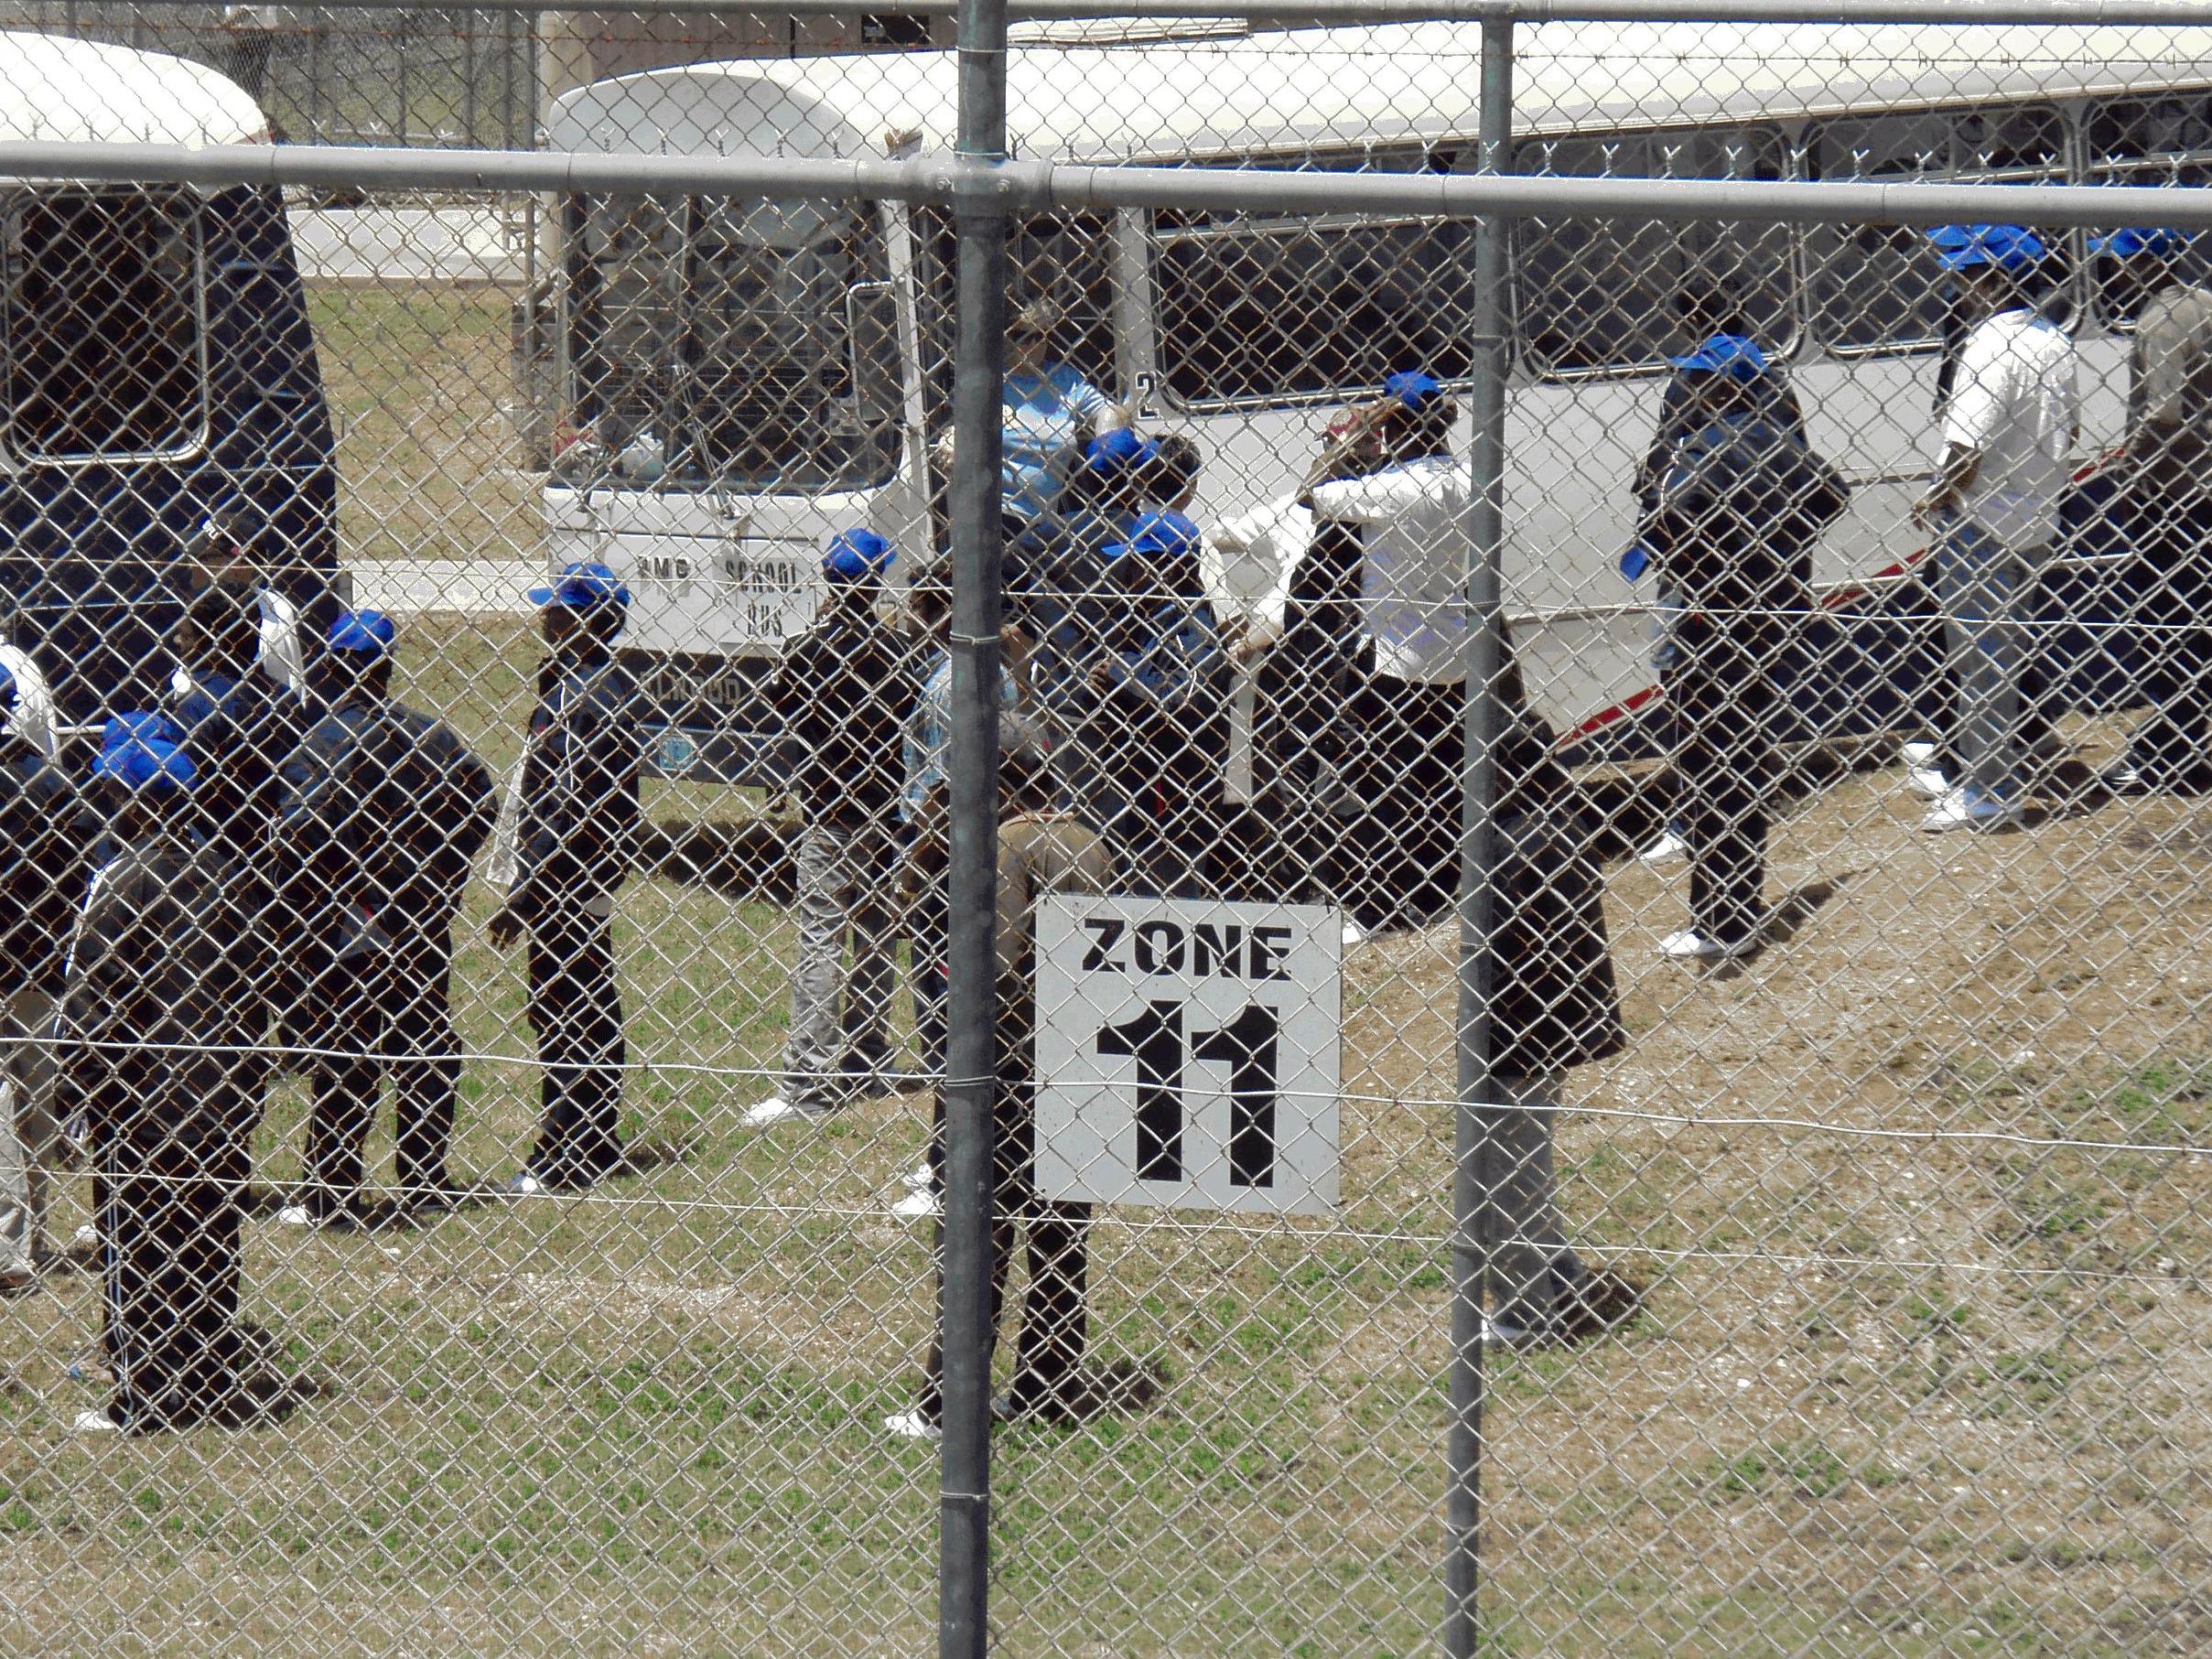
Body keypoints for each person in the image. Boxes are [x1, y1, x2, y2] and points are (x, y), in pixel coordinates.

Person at [57, 719, 302, 1433]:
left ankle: (144, 1394)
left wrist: (76, 1091)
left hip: (139, 1099)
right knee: (208, 1236)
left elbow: (95, 999)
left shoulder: (123, 883)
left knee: (135, 1244)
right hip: (222, 1096)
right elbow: (266, 981)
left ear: (132, 804)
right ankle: (206, 1374)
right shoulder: (229, 880)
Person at [886, 727, 1115, 1441]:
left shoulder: (1006, 844)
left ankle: (945, 1400)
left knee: (972, 1233)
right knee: (1059, 1232)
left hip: (1001, 1064)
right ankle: (1046, 1383)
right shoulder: (1091, 840)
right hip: (1081, 1058)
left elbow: (1001, 961)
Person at [273, 610, 498, 1228]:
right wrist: (438, 874)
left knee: (346, 1051)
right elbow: (482, 801)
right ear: (385, 665)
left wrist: (311, 893)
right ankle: (424, 1177)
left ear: (332, 665)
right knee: (425, 1042)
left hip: (346, 923)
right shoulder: (431, 736)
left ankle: (332, 1191)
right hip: (417, 919)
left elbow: (297, 830)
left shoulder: (322, 740)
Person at [1642, 337, 1848, 961]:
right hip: (1766, 619)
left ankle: (1719, 922)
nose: (1690, 390)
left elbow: (1662, 525)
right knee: (1742, 761)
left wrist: (1707, 568)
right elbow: (1832, 493)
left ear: (1720, 386)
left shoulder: (1699, 449)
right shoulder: (1784, 442)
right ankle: (1737, 908)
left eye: (1700, 380)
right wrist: (1777, 557)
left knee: (1706, 771)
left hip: (1705, 627)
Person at [1476, 647, 1641, 1345]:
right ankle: (1557, 1268)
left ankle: (1525, 1309)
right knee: (1524, 1140)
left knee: (1494, 1151)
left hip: (1521, 1006)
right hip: (1552, 1001)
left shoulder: (1506, 827)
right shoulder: (1542, 793)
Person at [1631, 287, 1810, 867]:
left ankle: (1693, 814)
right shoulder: (1774, 385)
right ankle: (1737, 799)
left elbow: (1661, 479)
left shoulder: (1699, 389)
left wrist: (1664, 527)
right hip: (1768, 570)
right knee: (1746, 695)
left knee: (1684, 689)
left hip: (1701, 571)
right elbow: (1814, 486)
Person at [745, 530, 916, 1128]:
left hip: (829, 809)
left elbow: (778, 702)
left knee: (821, 939)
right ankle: (869, 1055)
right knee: (873, 933)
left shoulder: (809, 647)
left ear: (827, 581)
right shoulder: (899, 650)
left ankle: (806, 1081)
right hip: (886, 808)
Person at [1912, 223, 2079, 834]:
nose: (1956, 284)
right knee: (2004, 652)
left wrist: (1934, 498)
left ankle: (1987, 786)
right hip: (2036, 514)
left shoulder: (1984, 345)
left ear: (1989, 281)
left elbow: (1966, 447)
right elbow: (2074, 432)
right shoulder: (2054, 339)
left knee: (1976, 658)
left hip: (1979, 518)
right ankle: (1996, 774)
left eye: (1964, 273)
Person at [488, 562, 642, 1193]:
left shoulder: (578, 698)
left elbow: (569, 807)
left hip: (564, 880)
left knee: (563, 1011)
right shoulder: (594, 682)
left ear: (585, 619)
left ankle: (564, 1152)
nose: (544, 616)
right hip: (586, 875)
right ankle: (594, 1137)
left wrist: (525, 894)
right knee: (585, 1004)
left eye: (557, 608)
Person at [1304, 369, 1469, 944]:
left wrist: (1357, 434)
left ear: (1393, 424)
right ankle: (1439, 889)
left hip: (1396, 657)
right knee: (1443, 774)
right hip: (1459, 647)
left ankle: (1377, 907)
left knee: (1382, 784)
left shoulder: (1388, 488)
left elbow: (1310, 493)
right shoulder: (1473, 477)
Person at [891, 564, 1024, 1220]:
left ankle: (948, 1165)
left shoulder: (952, 681)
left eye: (919, 606)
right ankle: (950, 1156)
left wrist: (911, 872)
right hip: (966, 858)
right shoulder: (994, 671)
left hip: (944, 862)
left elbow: (944, 790)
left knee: (949, 1022)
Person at [2095, 228, 2212, 794]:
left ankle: (2171, 753)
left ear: (2136, 262)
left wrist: (2126, 466)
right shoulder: (2204, 304)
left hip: (2173, 496)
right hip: (2203, 491)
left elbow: (2163, 412)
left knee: (2164, 629)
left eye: (2116, 260)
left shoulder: (2158, 319)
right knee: (2198, 626)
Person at [0, 664, 94, 1291]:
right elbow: (84, 874)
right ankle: (30, 1236)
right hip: (38, 964)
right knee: (34, 1105)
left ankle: (9, 1250)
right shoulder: (53, 783)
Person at [1081, 511, 1227, 898]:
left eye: (1139, 561)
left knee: (1165, 885)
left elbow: (1185, 693)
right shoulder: (1154, 617)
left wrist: (1122, 673)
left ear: (1172, 567)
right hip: (1145, 776)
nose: (1129, 570)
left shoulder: (1190, 624)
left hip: (1174, 783)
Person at [995, 298, 1124, 534]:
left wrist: (1108, 437)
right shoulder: (992, 383)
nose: (1034, 344)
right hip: (997, 517)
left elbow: (1107, 410)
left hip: (1045, 522)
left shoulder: (1065, 381)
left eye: (1041, 335)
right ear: (1006, 336)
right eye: (1023, 336)